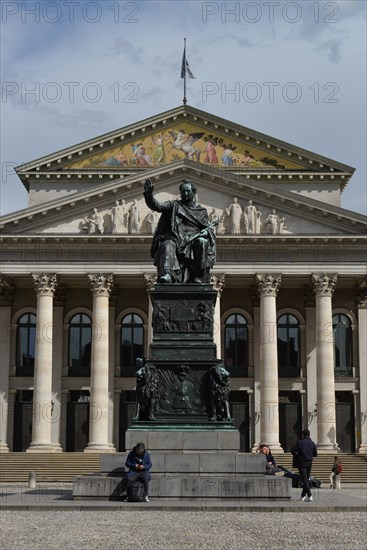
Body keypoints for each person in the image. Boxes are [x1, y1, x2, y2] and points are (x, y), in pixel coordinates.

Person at [143, 177, 216, 284]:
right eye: (183, 191)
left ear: (194, 193)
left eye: (188, 191)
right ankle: (168, 274)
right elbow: (157, 206)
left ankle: (197, 276)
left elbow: (207, 229)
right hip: (175, 238)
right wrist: (149, 195)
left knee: (202, 242)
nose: (185, 193)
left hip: (193, 240)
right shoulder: (173, 205)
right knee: (167, 244)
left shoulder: (201, 211)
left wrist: (206, 233)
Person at [291, 429, 317, 502]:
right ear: (309, 434)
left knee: (304, 479)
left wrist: (298, 454)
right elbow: (315, 454)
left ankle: (309, 495)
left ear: (303, 434)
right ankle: (302, 496)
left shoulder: (300, 442)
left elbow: (292, 450)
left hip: (302, 462)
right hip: (309, 462)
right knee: (306, 478)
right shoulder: (312, 443)